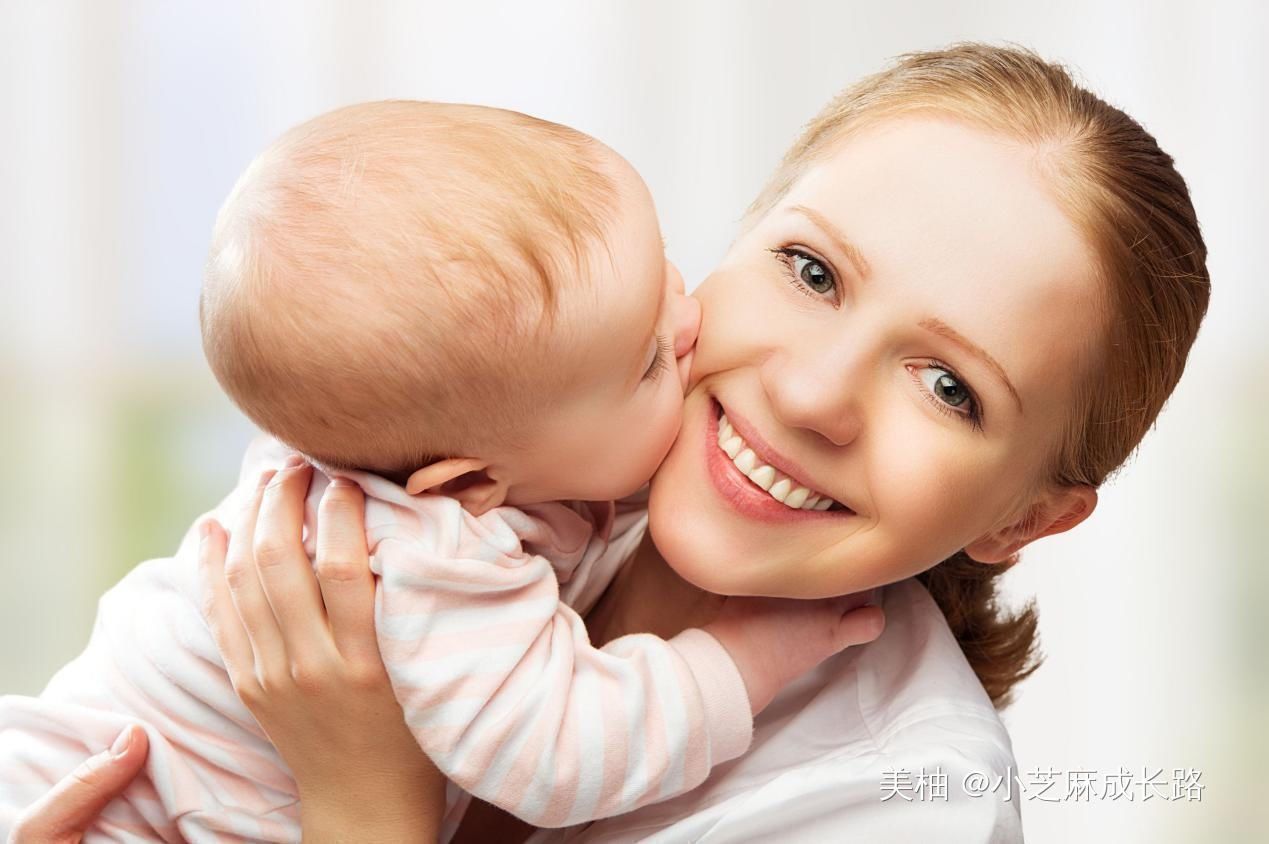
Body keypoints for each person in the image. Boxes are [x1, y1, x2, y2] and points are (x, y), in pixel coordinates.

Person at [22, 42, 1211, 841]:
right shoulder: (517, 455)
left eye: (951, 386)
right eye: (811, 270)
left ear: (1023, 517)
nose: (811, 395)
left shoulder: (904, 803)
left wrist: (361, 798)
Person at [0, 102, 882, 841]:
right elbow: (555, 750)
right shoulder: (433, 562)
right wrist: (746, 659)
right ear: (466, 488)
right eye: (648, 363)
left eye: (665, 276)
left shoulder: (414, 435)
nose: (688, 321)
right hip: (96, 806)